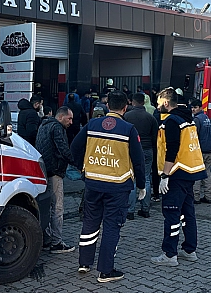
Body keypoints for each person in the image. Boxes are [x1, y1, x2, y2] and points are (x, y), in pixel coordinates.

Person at [70, 92, 145, 282]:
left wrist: (82, 167)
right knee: (111, 226)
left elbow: (74, 148)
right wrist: (142, 185)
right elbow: (138, 161)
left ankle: (84, 263)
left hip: (93, 184)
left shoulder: (92, 125)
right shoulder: (128, 129)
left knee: (90, 223)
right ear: (125, 108)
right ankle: (105, 271)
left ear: (108, 105)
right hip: (117, 186)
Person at [151, 88, 207, 267]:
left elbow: (172, 149)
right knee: (187, 213)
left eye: (159, 103)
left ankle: (170, 254)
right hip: (190, 171)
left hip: (176, 173)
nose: (157, 106)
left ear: (166, 103)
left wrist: (165, 175)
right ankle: (189, 250)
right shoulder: (186, 118)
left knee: (172, 213)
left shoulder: (172, 121)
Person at [35, 106, 75, 254]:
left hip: (44, 171)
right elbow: (63, 149)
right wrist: (76, 163)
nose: (71, 122)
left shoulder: (43, 125)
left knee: (46, 206)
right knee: (57, 208)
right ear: (60, 117)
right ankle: (57, 242)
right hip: (55, 171)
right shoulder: (58, 128)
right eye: (69, 118)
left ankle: (46, 239)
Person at [124, 93, 159, 218]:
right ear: (143, 102)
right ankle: (145, 209)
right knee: (146, 178)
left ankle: (130, 210)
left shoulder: (127, 116)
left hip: (132, 149)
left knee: (132, 178)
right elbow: (156, 137)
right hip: (147, 149)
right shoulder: (150, 118)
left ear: (133, 102)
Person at [190, 100, 211, 204]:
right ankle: (208, 196)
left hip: (200, 149)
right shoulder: (206, 118)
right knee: (207, 172)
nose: (193, 109)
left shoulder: (197, 119)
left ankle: (196, 196)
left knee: (197, 172)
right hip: (208, 149)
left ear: (200, 107)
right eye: (192, 107)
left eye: (195, 107)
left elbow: (193, 136)